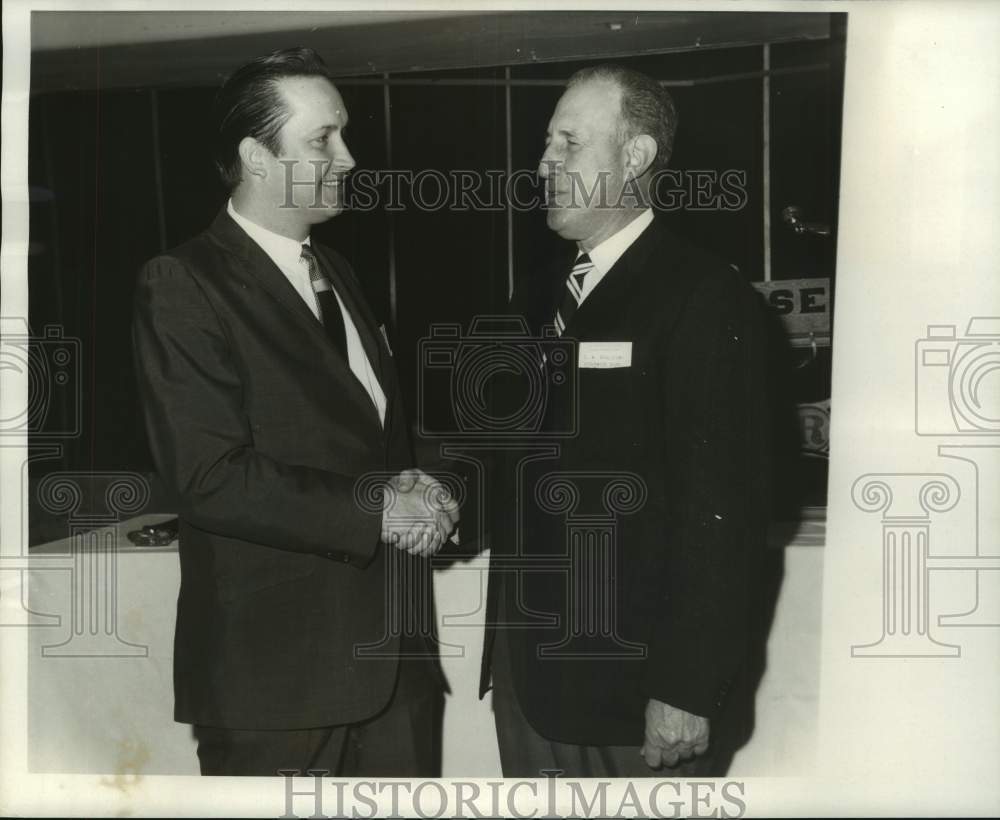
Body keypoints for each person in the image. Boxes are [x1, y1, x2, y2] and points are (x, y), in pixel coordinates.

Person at [132, 47, 458, 777]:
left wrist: (434, 484)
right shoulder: (183, 283)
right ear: (257, 156)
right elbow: (208, 476)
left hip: (395, 674)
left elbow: (371, 436)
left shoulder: (335, 271)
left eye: (343, 134)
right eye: (323, 139)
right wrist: (380, 507)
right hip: (279, 689)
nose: (348, 156)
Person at [480, 64, 771, 778]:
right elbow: (514, 453)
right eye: (546, 142)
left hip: (632, 698)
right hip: (531, 679)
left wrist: (687, 689)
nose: (543, 161)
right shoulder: (541, 290)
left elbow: (722, 514)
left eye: (568, 143)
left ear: (635, 158)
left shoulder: (705, 297)